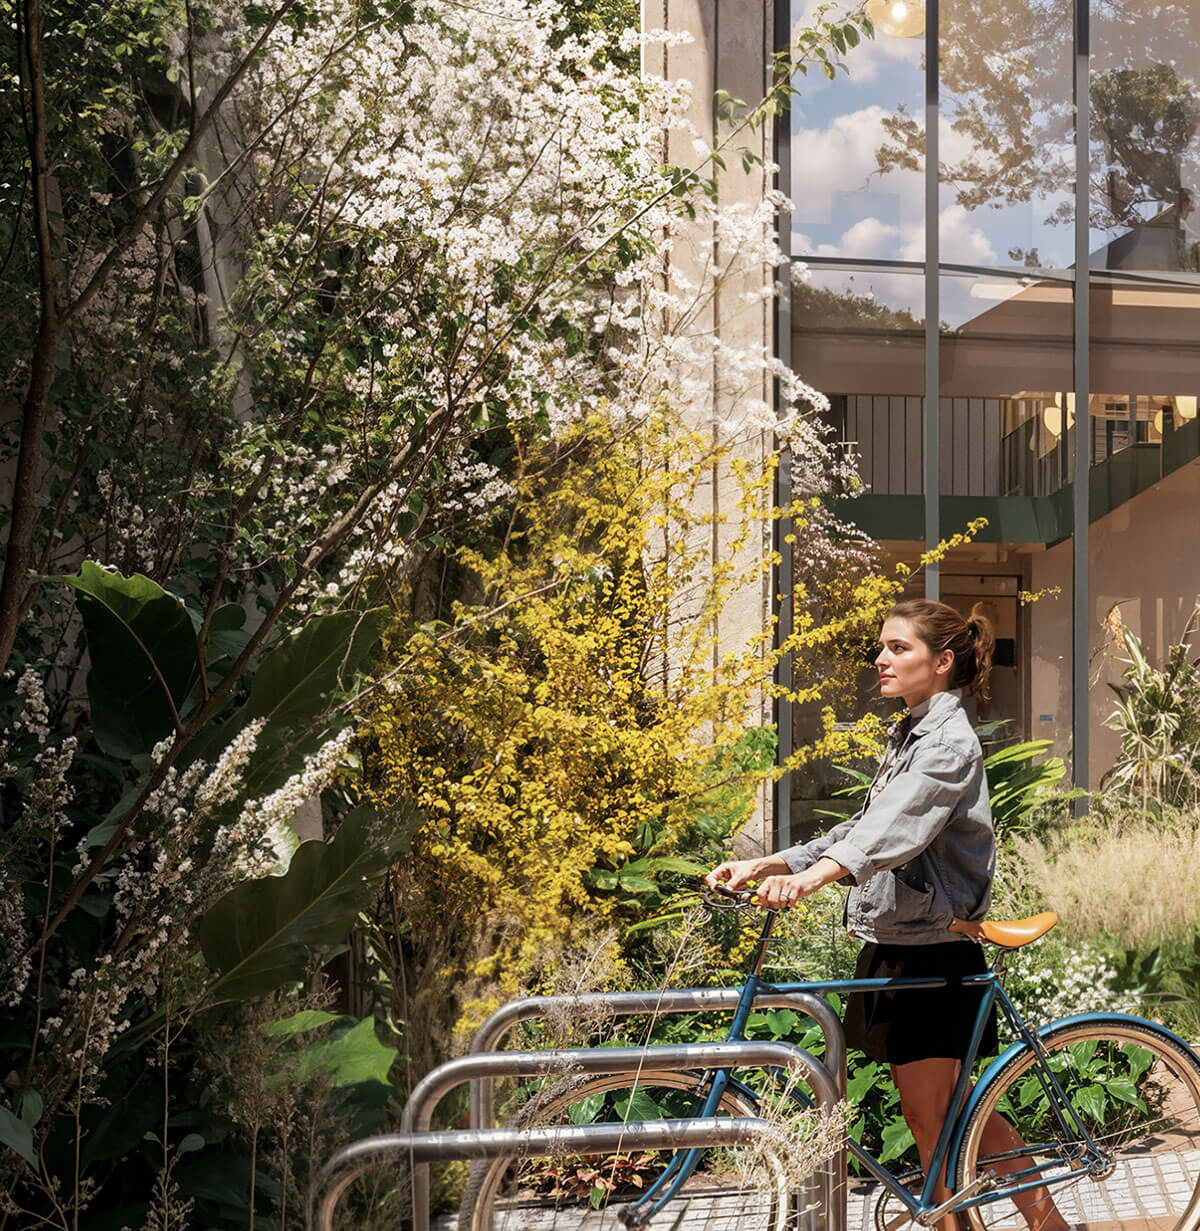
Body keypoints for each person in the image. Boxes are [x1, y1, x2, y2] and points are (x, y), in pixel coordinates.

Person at [704, 599, 1068, 1231]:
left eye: (899, 648)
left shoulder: (947, 744)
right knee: (935, 1120)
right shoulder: (911, 732)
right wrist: (774, 864)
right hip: (899, 940)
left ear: (942, 661)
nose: (881, 658)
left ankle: (1049, 1226)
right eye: (883, 646)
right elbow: (862, 826)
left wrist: (813, 879)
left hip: (934, 947)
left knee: (942, 1120)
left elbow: (893, 833)